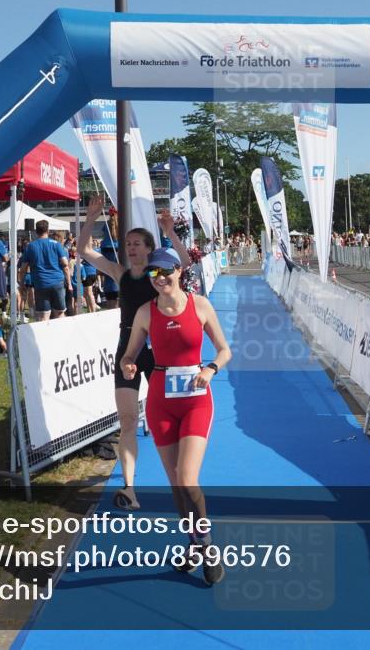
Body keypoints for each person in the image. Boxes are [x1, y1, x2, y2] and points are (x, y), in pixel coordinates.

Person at [119, 247, 232, 585]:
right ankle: (194, 545)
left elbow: (226, 350)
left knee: (187, 478)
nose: (160, 279)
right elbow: (130, 354)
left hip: (196, 399)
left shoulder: (199, 305)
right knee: (176, 486)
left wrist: (211, 368)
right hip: (160, 401)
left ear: (179, 271)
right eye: (153, 274)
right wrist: (128, 364)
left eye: (165, 272)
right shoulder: (144, 313)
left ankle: (207, 546)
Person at [77, 197, 190, 510]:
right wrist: (90, 219)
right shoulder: (119, 274)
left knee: (166, 420)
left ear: (150, 248)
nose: (131, 249)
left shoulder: (159, 276)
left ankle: (181, 476)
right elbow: (84, 252)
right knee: (127, 421)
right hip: (127, 352)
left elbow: (185, 263)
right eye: (128, 244)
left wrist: (170, 230)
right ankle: (129, 489)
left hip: (158, 351)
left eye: (137, 244)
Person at [18, 220, 72, 322]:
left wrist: (21, 284)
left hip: (40, 283)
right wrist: (69, 283)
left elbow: (23, 268)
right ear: (48, 230)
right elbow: (65, 264)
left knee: (43, 316)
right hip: (57, 282)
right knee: (60, 314)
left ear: (36, 231)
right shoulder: (56, 244)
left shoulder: (31, 246)